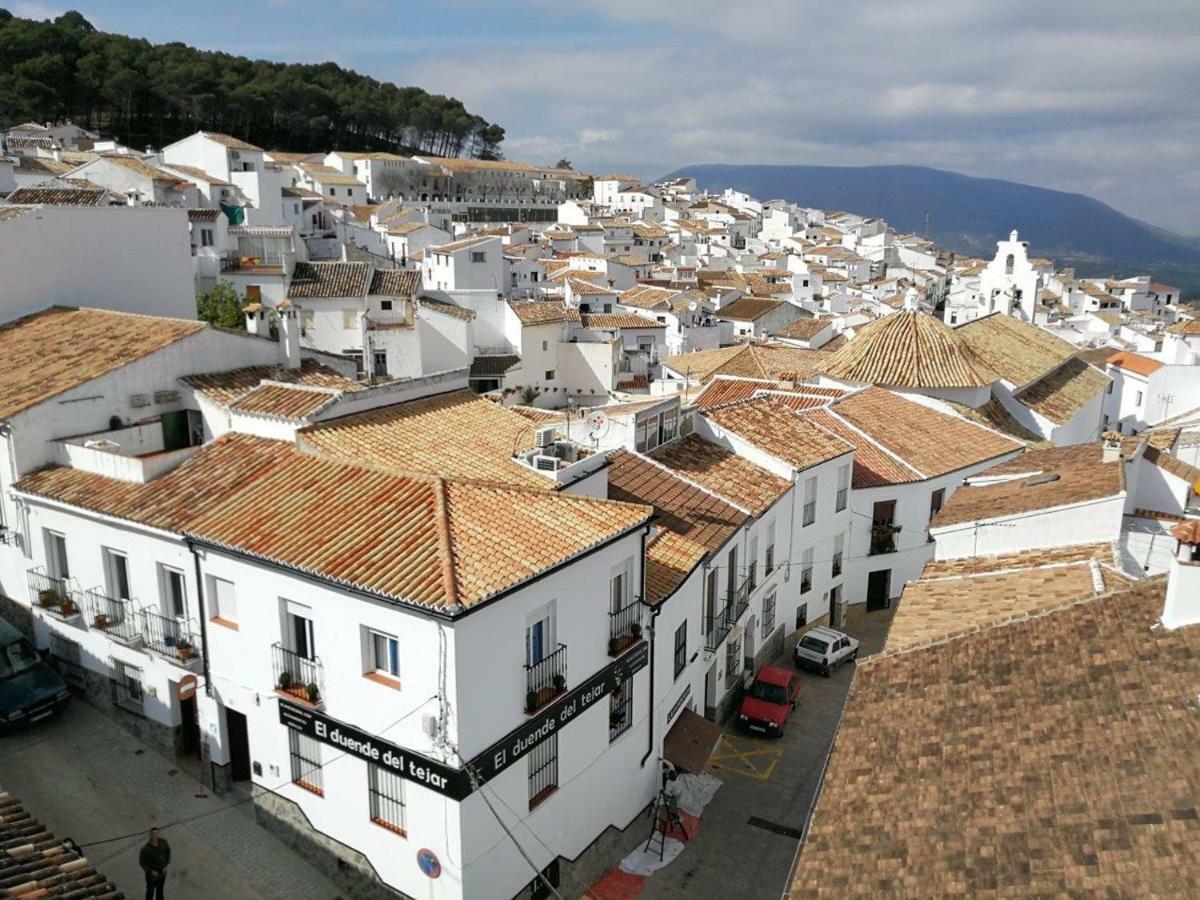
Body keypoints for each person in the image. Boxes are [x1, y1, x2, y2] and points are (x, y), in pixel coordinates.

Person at [138, 827, 171, 900]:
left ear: (159, 833)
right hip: (151, 875)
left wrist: (166, 865)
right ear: (150, 835)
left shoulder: (163, 842)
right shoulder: (145, 849)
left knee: (160, 891)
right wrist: (150, 871)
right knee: (150, 892)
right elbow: (142, 863)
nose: (154, 835)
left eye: (156, 833)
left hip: (162, 872)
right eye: (152, 834)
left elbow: (168, 852)